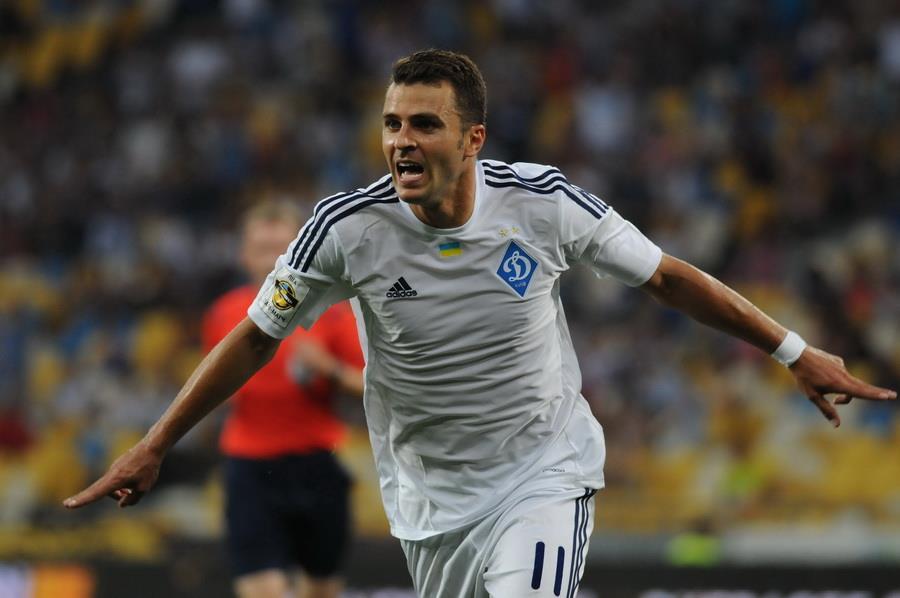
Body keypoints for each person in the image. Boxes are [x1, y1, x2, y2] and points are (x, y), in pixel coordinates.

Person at [64, 50, 896, 597]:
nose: (402, 141)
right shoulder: (344, 230)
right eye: (392, 123)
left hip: (541, 471)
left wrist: (792, 349)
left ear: (473, 139)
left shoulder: (543, 204)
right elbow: (255, 336)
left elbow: (668, 277)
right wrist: (156, 443)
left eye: (424, 124)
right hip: (429, 501)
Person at [203, 200, 364, 598]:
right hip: (251, 467)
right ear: (244, 255)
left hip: (317, 462)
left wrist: (328, 369)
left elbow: (371, 383)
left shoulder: (332, 313)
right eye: (261, 249)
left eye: (281, 249)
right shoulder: (225, 314)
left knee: (322, 588)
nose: (269, 261)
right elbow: (214, 389)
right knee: (263, 588)